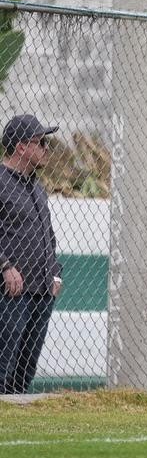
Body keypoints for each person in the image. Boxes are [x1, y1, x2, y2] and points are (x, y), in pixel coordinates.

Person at [0, 115, 63, 394]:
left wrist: (56, 273)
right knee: (4, 362)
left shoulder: (36, 186)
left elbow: (47, 234)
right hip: (11, 291)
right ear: (22, 147)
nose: (46, 150)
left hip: (41, 289)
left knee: (25, 369)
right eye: (41, 143)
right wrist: (4, 265)